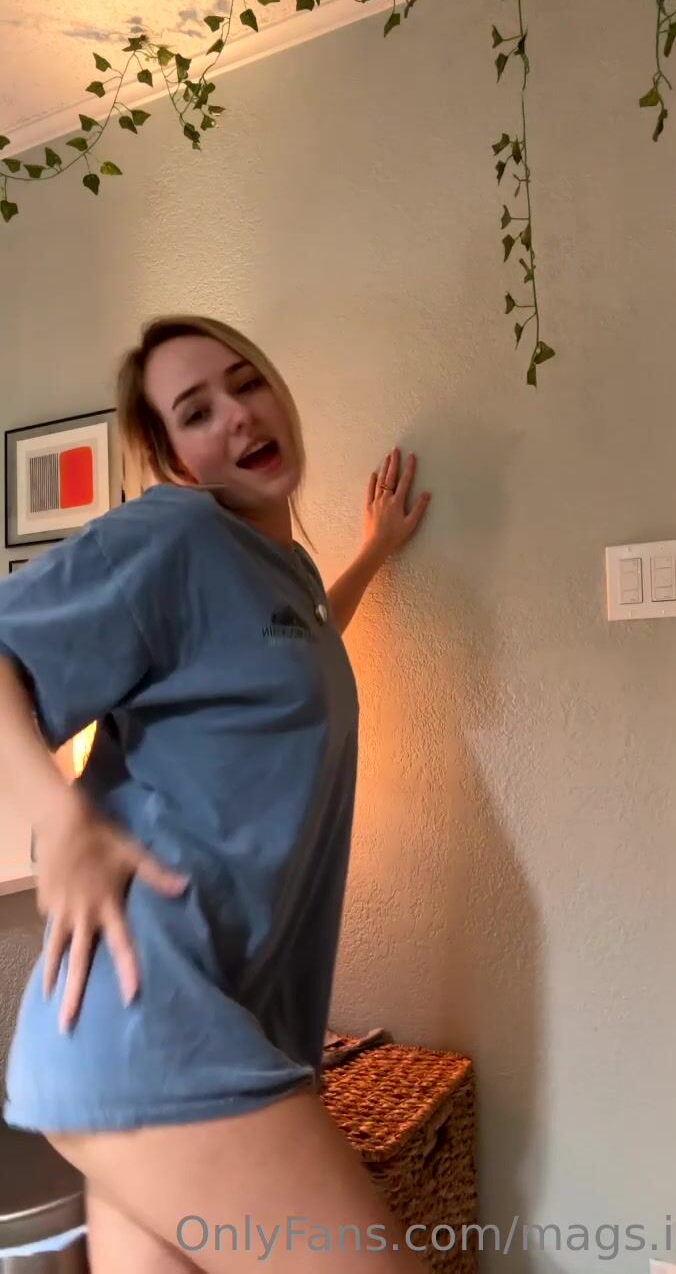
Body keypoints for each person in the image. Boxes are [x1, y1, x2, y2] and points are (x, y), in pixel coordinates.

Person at [0, 315, 432, 1273]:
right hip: (150, 1022)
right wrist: (59, 821)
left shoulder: (284, 575)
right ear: (174, 460)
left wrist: (370, 554)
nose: (238, 414)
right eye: (197, 411)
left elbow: (296, 641)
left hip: (175, 1030)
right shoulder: (176, 533)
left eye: (247, 383)